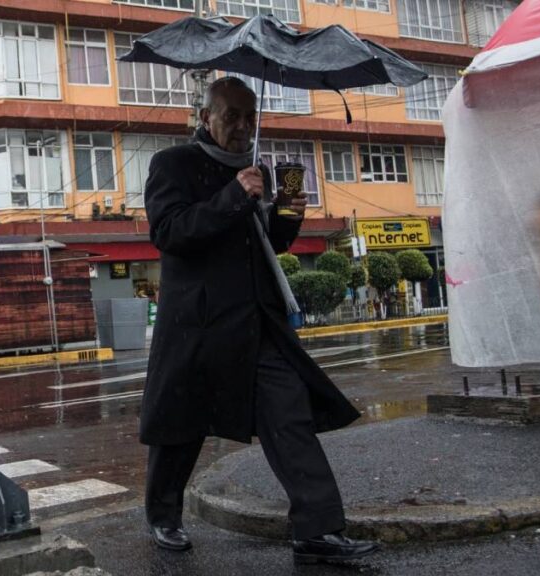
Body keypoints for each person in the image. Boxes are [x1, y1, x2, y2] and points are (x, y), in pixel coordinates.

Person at [141, 76, 379, 563]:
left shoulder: (257, 171)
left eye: (250, 116)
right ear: (206, 118)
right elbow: (170, 232)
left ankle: (317, 530)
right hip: (199, 324)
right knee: (181, 427)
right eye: (232, 116)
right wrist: (233, 194)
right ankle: (164, 515)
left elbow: (269, 243)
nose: (244, 126)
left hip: (257, 322)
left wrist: (289, 211)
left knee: (289, 416)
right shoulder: (173, 164)